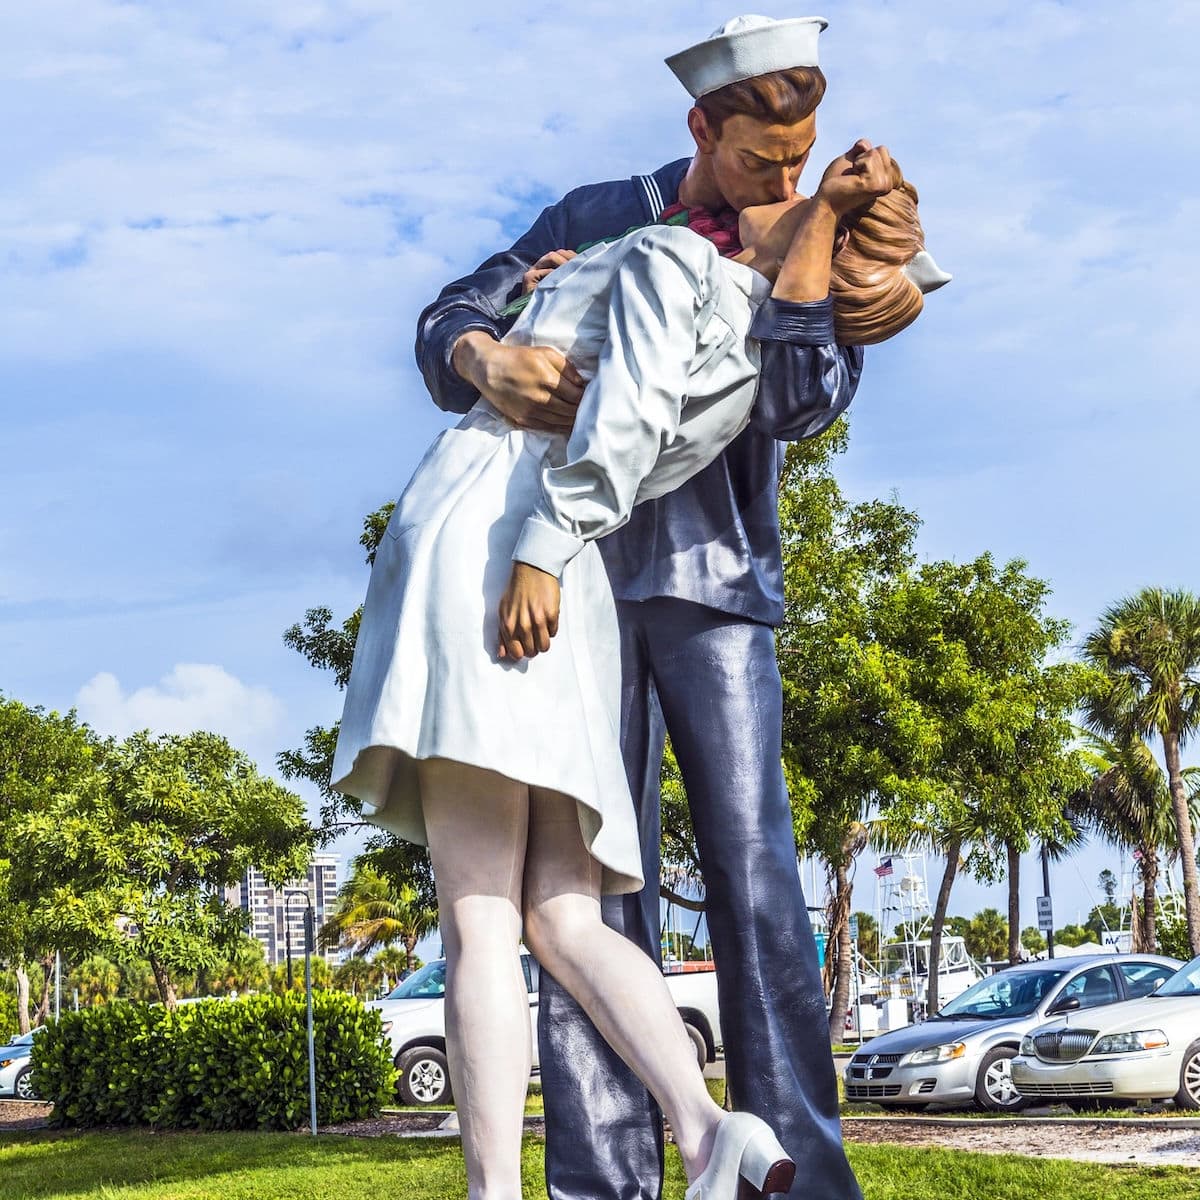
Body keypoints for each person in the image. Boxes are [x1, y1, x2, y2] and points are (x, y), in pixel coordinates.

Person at [333, 137, 944, 1200]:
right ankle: (610, 1174)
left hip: (682, 576)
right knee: (585, 899)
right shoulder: (605, 211)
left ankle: (789, 1166)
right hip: (571, 582)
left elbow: (800, 402)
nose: (786, 165)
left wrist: (806, 273)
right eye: (770, 143)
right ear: (709, 125)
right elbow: (450, 318)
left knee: (747, 882)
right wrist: (483, 353)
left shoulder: (815, 248)